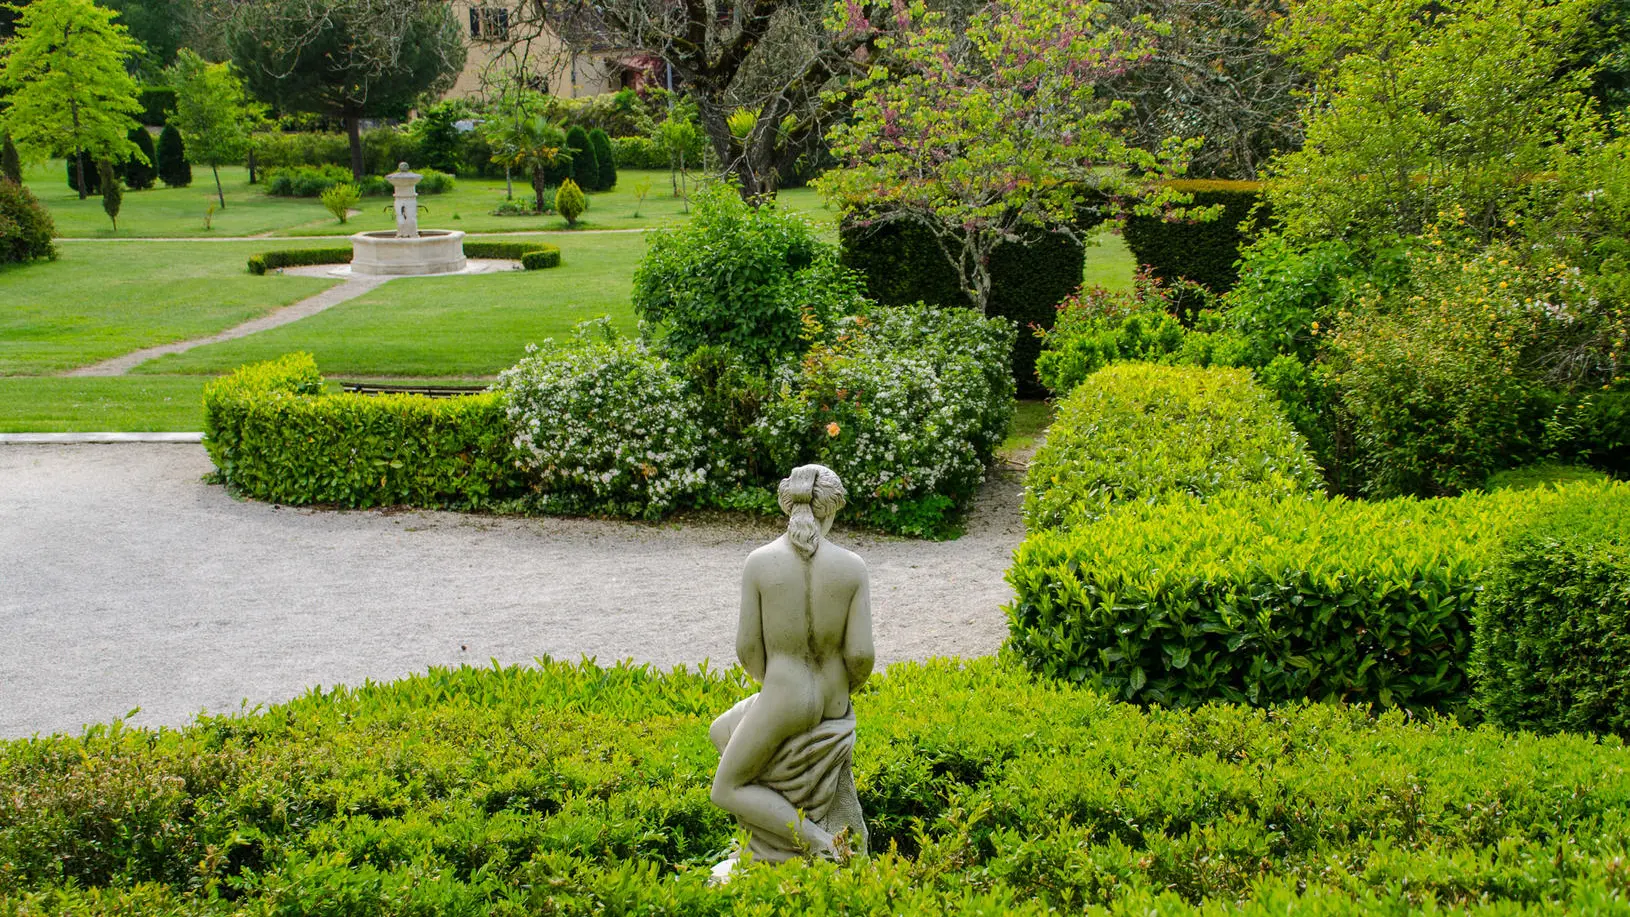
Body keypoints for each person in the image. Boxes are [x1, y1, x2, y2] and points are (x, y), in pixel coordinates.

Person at [709, 464, 874, 858]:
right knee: (721, 729)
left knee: (726, 788)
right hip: (833, 697)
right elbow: (861, 655)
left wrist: (778, 684)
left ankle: (818, 842)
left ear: (788, 506)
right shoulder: (852, 567)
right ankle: (785, 832)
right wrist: (839, 688)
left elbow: (747, 648)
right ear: (831, 510)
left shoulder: (760, 562)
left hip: (785, 695)